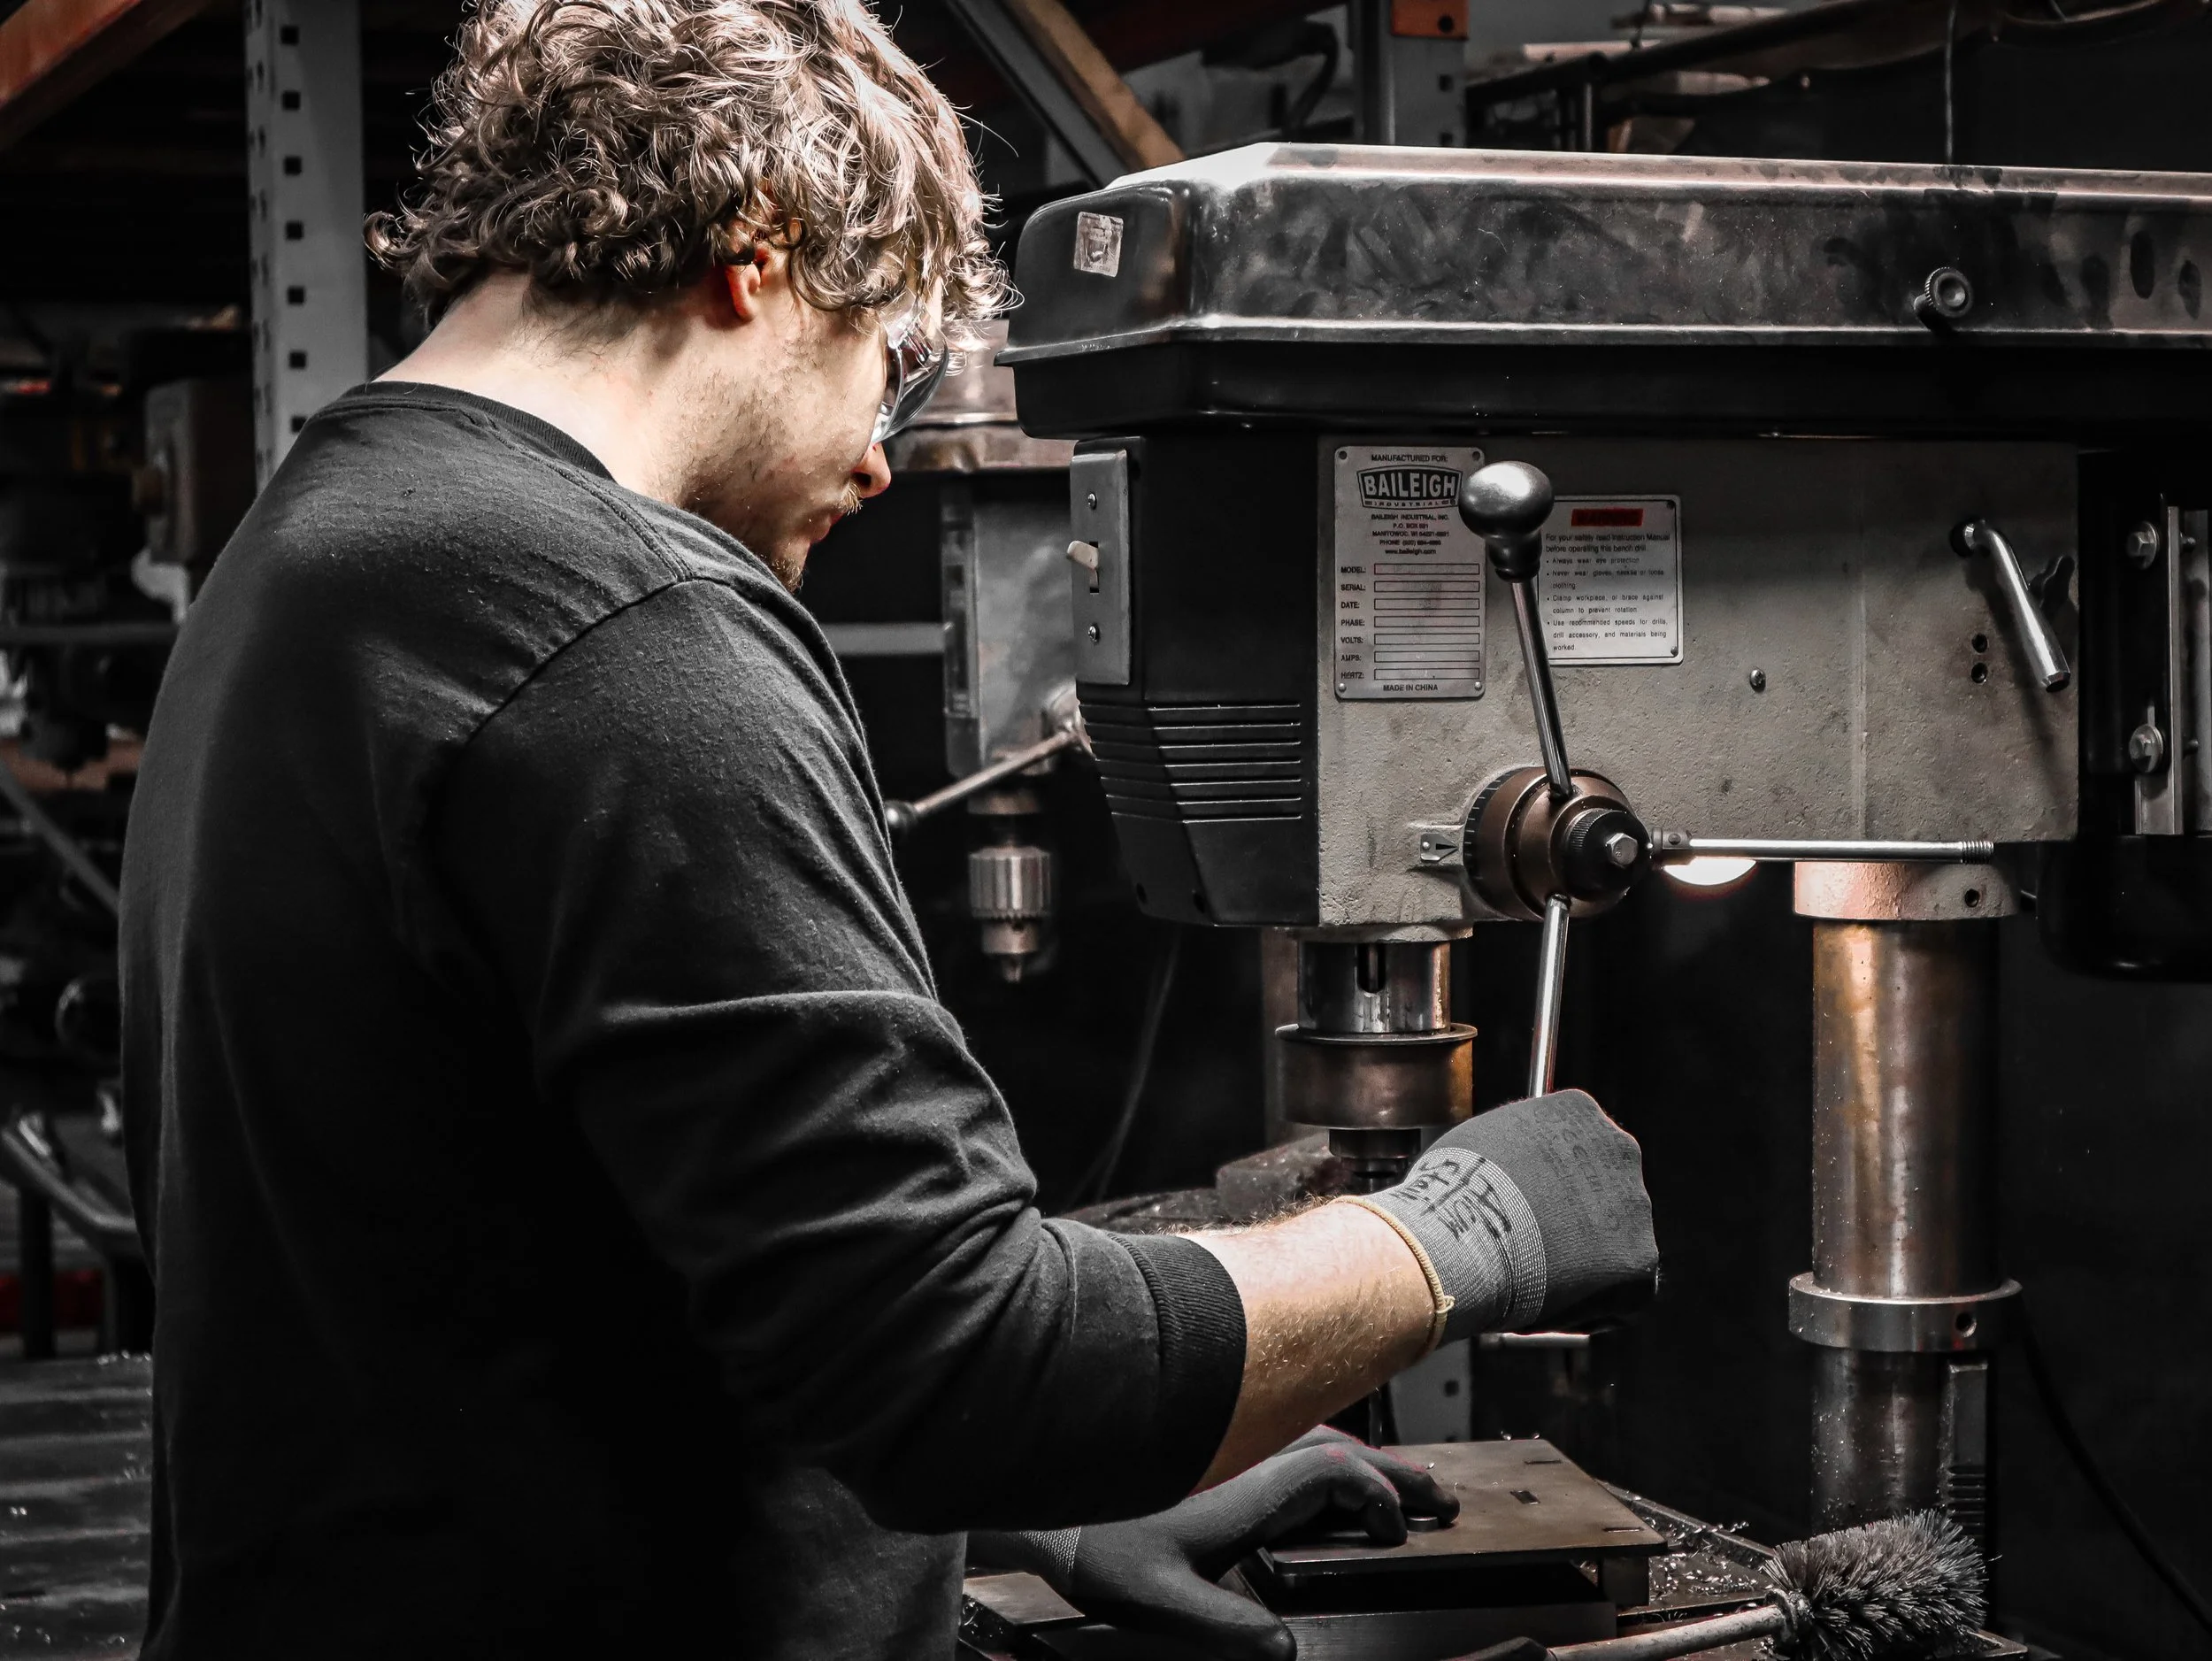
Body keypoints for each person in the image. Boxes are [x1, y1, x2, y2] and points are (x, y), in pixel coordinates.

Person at [118, 2, 1662, 1657]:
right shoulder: (622, 632)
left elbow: (548, 1277)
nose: (875, 456)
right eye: (888, 361)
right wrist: (1455, 1236)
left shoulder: (311, 559)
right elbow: (967, 1362)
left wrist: (1056, 1512)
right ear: (754, 254)